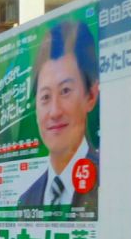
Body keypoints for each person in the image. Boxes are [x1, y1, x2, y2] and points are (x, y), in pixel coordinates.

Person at [17, 20, 100, 212]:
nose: (54, 112)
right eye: (45, 97)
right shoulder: (26, 200)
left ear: (91, 95)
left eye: (65, 91)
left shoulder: (109, 184)